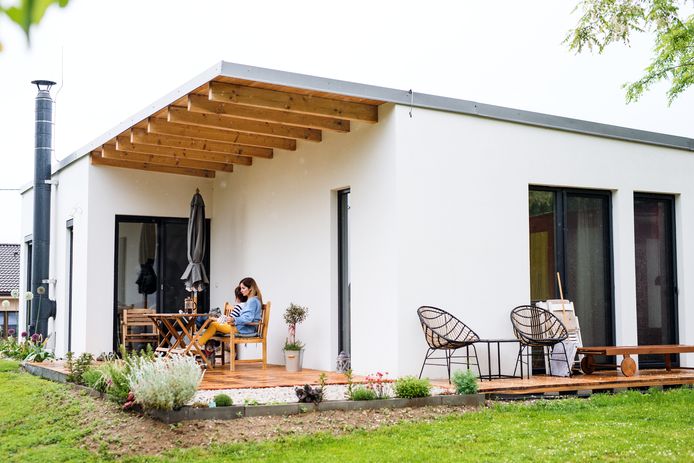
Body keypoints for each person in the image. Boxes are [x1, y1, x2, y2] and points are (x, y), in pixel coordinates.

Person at [198, 277, 263, 354]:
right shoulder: (253, 300)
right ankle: (201, 345)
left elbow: (248, 318)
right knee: (214, 324)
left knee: (213, 325)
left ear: (250, 289)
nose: (241, 290)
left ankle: (198, 345)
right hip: (242, 327)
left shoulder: (252, 301)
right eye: (241, 288)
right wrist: (232, 319)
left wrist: (234, 319)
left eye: (243, 288)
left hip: (244, 329)